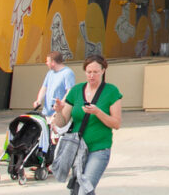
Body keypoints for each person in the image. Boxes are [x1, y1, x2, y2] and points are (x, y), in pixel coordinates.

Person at [52, 54, 123, 195]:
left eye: (95, 72)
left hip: (99, 148)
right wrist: (59, 111)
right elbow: (61, 123)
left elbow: (116, 123)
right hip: (77, 149)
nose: (92, 75)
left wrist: (97, 112)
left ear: (103, 71)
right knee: (78, 189)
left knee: (85, 188)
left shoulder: (111, 91)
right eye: (89, 72)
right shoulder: (76, 91)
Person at [34, 51, 76, 119]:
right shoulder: (50, 73)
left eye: (47, 61)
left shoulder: (68, 73)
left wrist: (60, 104)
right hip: (47, 112)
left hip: (59, 113)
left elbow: (70, 91)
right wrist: (38, 100)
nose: (46, 63)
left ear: (53, 62)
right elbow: (44, 88)